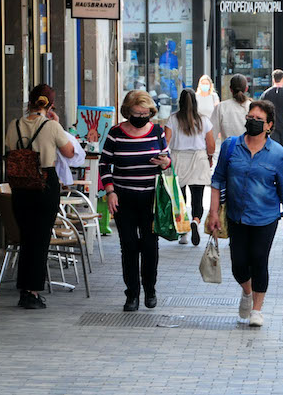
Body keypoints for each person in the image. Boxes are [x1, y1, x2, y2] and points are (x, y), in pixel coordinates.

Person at [208, 100, 283, 327]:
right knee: (238, 264)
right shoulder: (230, 146)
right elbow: (217, 180)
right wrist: (213, 213)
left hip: (265, 217)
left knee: (259, 259)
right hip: (236, 215)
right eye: (251, 118)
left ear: (269, 125)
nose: (253, 122)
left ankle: (257, 309)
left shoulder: (277, 153)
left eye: (259, 120)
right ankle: (247, 293)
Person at [5, 84, 75, 309]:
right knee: (40, 240)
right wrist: (58, 125)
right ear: (51, 105)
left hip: (20, 186)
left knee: (26, 238)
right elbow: (70, 153)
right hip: (45, 184)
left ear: (29, 103)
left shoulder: (13, 125)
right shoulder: (52, 126)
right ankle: (32, 293)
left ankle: (24, 289)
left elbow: (9, 149)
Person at [101, 90, 171, 312]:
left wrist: (163, 162)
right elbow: (104, 165)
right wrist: (110, 191)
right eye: (137, 112)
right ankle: (132, 294)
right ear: (127, 111)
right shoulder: (116, 133)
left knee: (150, 246)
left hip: (151, 198)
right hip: (124, 197)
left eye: (146, 113)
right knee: (129, 246)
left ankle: (150, 289)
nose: (141, 116)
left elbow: (168, 161)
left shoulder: (157, 132)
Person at [165, 89, 216, 246]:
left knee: (180, 199)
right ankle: (195, 220)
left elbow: (165, 142)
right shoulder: (203, 120)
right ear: (195, 102)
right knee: (198, 197)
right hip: (199, 159)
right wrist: (209, 157)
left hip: (178, 159)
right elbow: (211, 145)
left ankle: (184, 233)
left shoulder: (172, 119)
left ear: (179, 102)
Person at [261, 69, 283, 148]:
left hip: (271, 125)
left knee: (273, 147)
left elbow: (262, 111)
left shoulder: (266, 94)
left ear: (273, 79)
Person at [211, 74, 251, 140]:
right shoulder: (252, 107)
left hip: (228, 149)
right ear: (246, 89)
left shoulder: (221, 107)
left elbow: (212, 134)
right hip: (249, 149)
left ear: (230, 89)